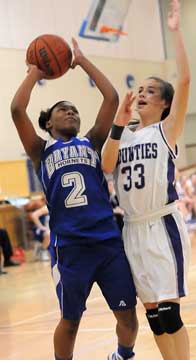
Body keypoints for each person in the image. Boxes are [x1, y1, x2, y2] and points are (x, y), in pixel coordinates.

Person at [11, 38, 138, 360]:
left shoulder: (93, 141)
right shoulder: (40, 151)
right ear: (49, 123)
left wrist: (82, 61)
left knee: (127, 314)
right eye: (62, 110)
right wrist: (33, 72)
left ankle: (123, 355)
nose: (70, 111)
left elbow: (110, 96)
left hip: (108, 242)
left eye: (74, 110)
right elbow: (16, 109)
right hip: (70, 247)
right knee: (70, 320)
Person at [102, 1, 190, 359]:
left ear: (165, 104)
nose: (141, 93)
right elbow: (107, 165)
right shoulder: (125, 134)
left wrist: (175, 31)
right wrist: (118, 123)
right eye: (141, 89)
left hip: (162, 226)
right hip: (133, 230)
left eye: (151, 91)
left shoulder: (166, 130)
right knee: (154, 317)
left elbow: (184, 79)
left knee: (170, 314)